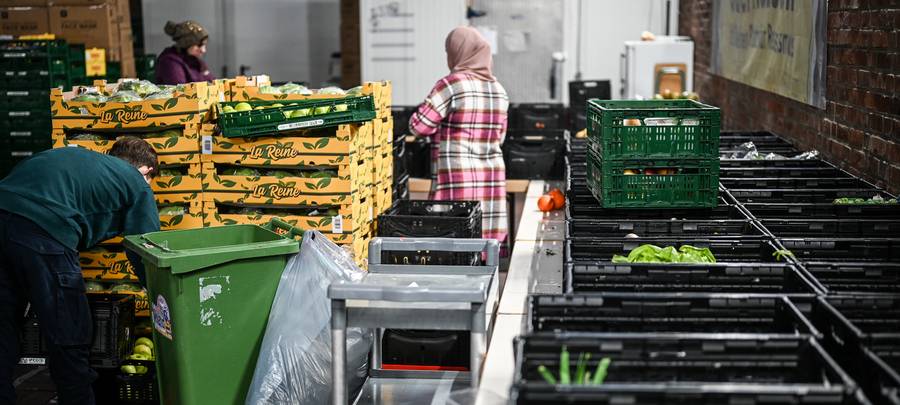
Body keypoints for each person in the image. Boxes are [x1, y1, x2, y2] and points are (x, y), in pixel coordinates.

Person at [0, 137, 161, 405]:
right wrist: (156, 291)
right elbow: (144, 246)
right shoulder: (135, 182)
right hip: (45, 229)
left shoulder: (79, 159)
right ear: (145, 171)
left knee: (3, 325)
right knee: (70, 332)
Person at [409, 26, 510, 252]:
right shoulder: (499, 90)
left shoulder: (452, 84)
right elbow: (500, 137)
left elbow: (419, 126)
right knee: (486, 250)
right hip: (491, 177)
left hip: (459, 179)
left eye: (449, 52)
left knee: (456, 247)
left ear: (458, 52)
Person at [156, 20, 215, 85]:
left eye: (204, 45)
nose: (203, 50)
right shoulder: (170, 62)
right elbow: (180, 91)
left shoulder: (195, 60)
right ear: (186, 44)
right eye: (199, 45)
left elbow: (212, 81)